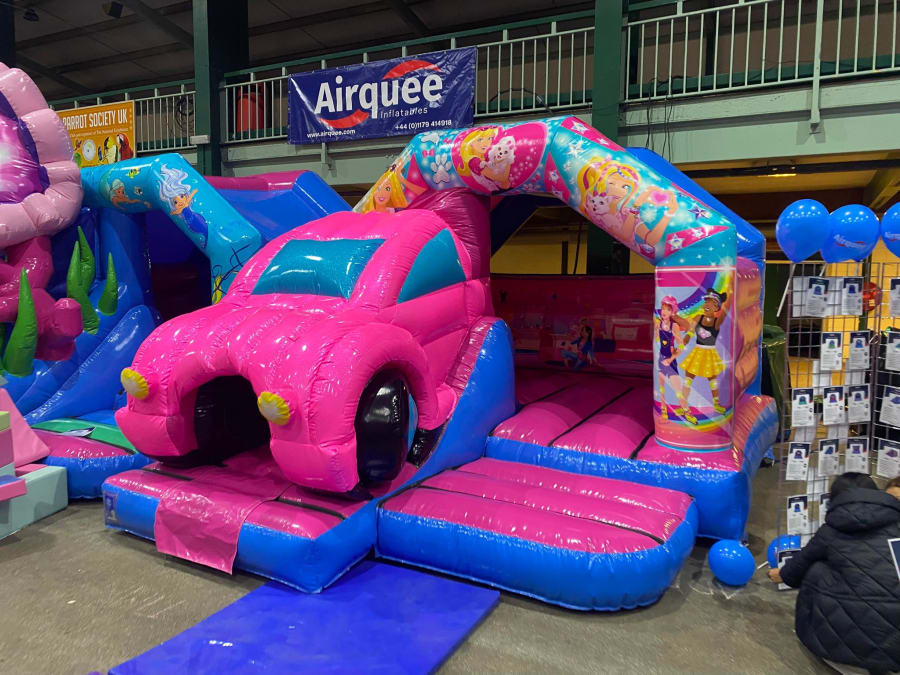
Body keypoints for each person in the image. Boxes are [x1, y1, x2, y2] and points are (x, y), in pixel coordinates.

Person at [768, 472, 900, 674]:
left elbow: (793, 574)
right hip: (894, 653)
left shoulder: (831, 530)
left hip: (839, 653)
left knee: (816, 567)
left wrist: (779, 573)